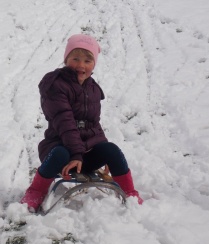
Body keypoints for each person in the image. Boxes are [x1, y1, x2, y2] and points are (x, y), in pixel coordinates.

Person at [20, 34, 143, 212]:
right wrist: (76, 155)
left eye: (87, 60)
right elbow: (65, 122)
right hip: (59, 152)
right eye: (75, 58)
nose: (80, 65)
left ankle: (130, 193)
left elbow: (94, 125)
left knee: (112, 149)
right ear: (66, 59)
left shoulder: (92, 88)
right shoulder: (56, 85)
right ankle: (35, 191)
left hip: (83, 155)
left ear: (94, 64)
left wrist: (104, 150)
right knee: (60, 153)